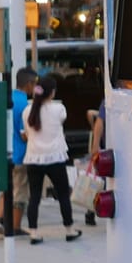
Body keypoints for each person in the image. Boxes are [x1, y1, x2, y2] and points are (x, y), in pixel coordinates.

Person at [21, 73, 81, 244]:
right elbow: (62, 119)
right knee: (63, 194)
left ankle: (34, 233)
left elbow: (26, 132)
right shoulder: (59, 109)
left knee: (34, 197)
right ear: (52, 92)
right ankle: (69, 230)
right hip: (55, 157)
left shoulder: (27, 111)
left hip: (33, 158)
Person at [0, 66, 37, 236]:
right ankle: (15, 226)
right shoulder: (24, 105)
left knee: (7, 188)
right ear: (28, 84)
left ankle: (0, 218)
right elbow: (24, 135)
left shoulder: (9, 98)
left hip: (6, 153)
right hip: (20, 154)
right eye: (35, 84)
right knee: (20, 191)